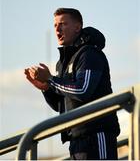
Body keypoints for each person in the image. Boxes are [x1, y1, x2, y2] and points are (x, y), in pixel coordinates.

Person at [24, 8, 120, 160]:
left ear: (77, 27)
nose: (57, 28)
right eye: (55, 25)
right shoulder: (61, 63)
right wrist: (46, 88)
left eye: (63, 23)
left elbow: (83, 90)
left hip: (97, 135)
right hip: (76, 140)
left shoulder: (89, 53)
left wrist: (51, 79)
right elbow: (61, 105)